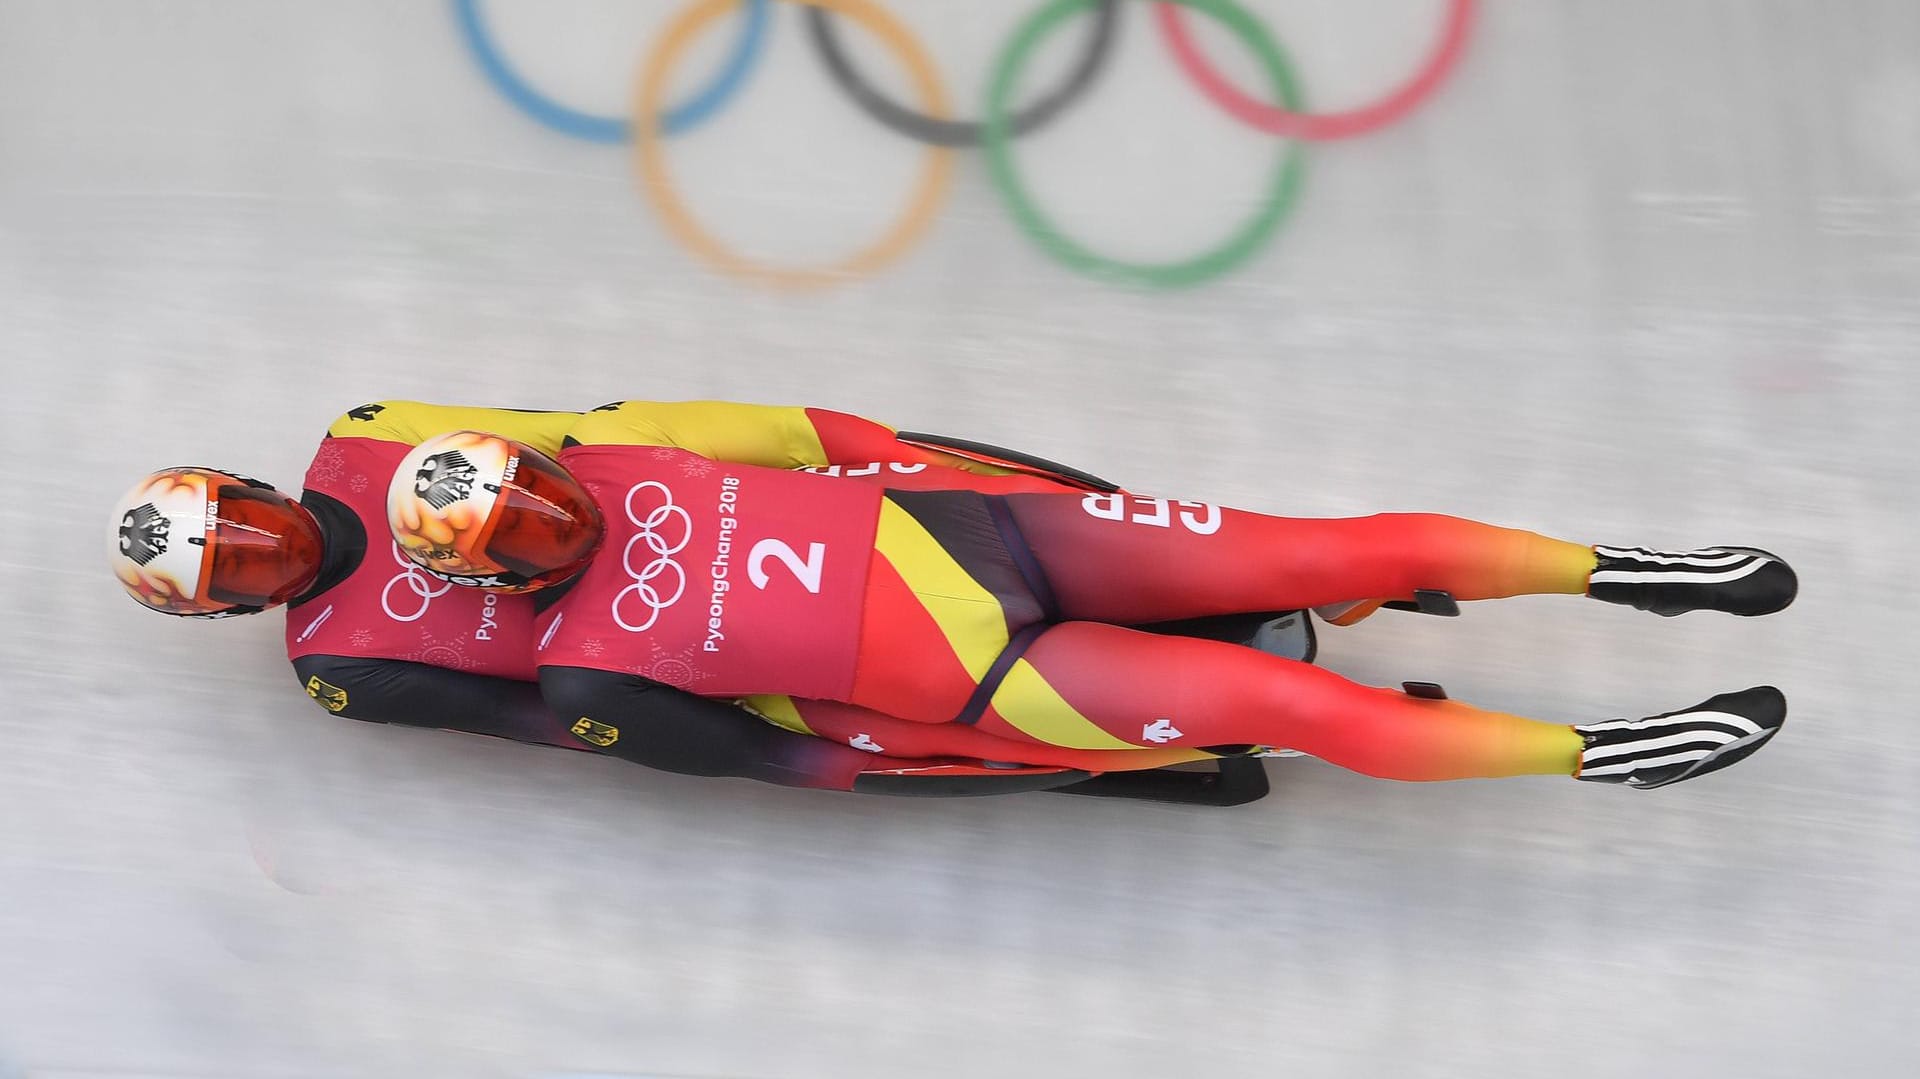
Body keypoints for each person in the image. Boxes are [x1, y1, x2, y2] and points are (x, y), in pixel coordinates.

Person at [387, 400, 1798, 794]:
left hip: (1009, 533)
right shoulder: (582, 673)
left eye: (540, 485)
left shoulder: (635, 437)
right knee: (1288, 701)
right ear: (497, 580)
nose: (554, 512)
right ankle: (1607, 754)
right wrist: (962, 757)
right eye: (526, 531)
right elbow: (771, 747)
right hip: (996, 679)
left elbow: (839, 436)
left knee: (1324, 551)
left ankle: (1632, 571)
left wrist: (1001, 474)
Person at [108, 398, 1265, 798]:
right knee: (911, 723)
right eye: (247, 566)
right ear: (230, 609)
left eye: (254, 525)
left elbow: (560, 445)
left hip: (706, 538)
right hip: (695, 666)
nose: (277, 549)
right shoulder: (338, 670)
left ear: (259, 485)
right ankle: (1135, 742)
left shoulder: (371, 437)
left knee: (978, 516)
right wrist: (755, 748)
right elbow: (539, 720)